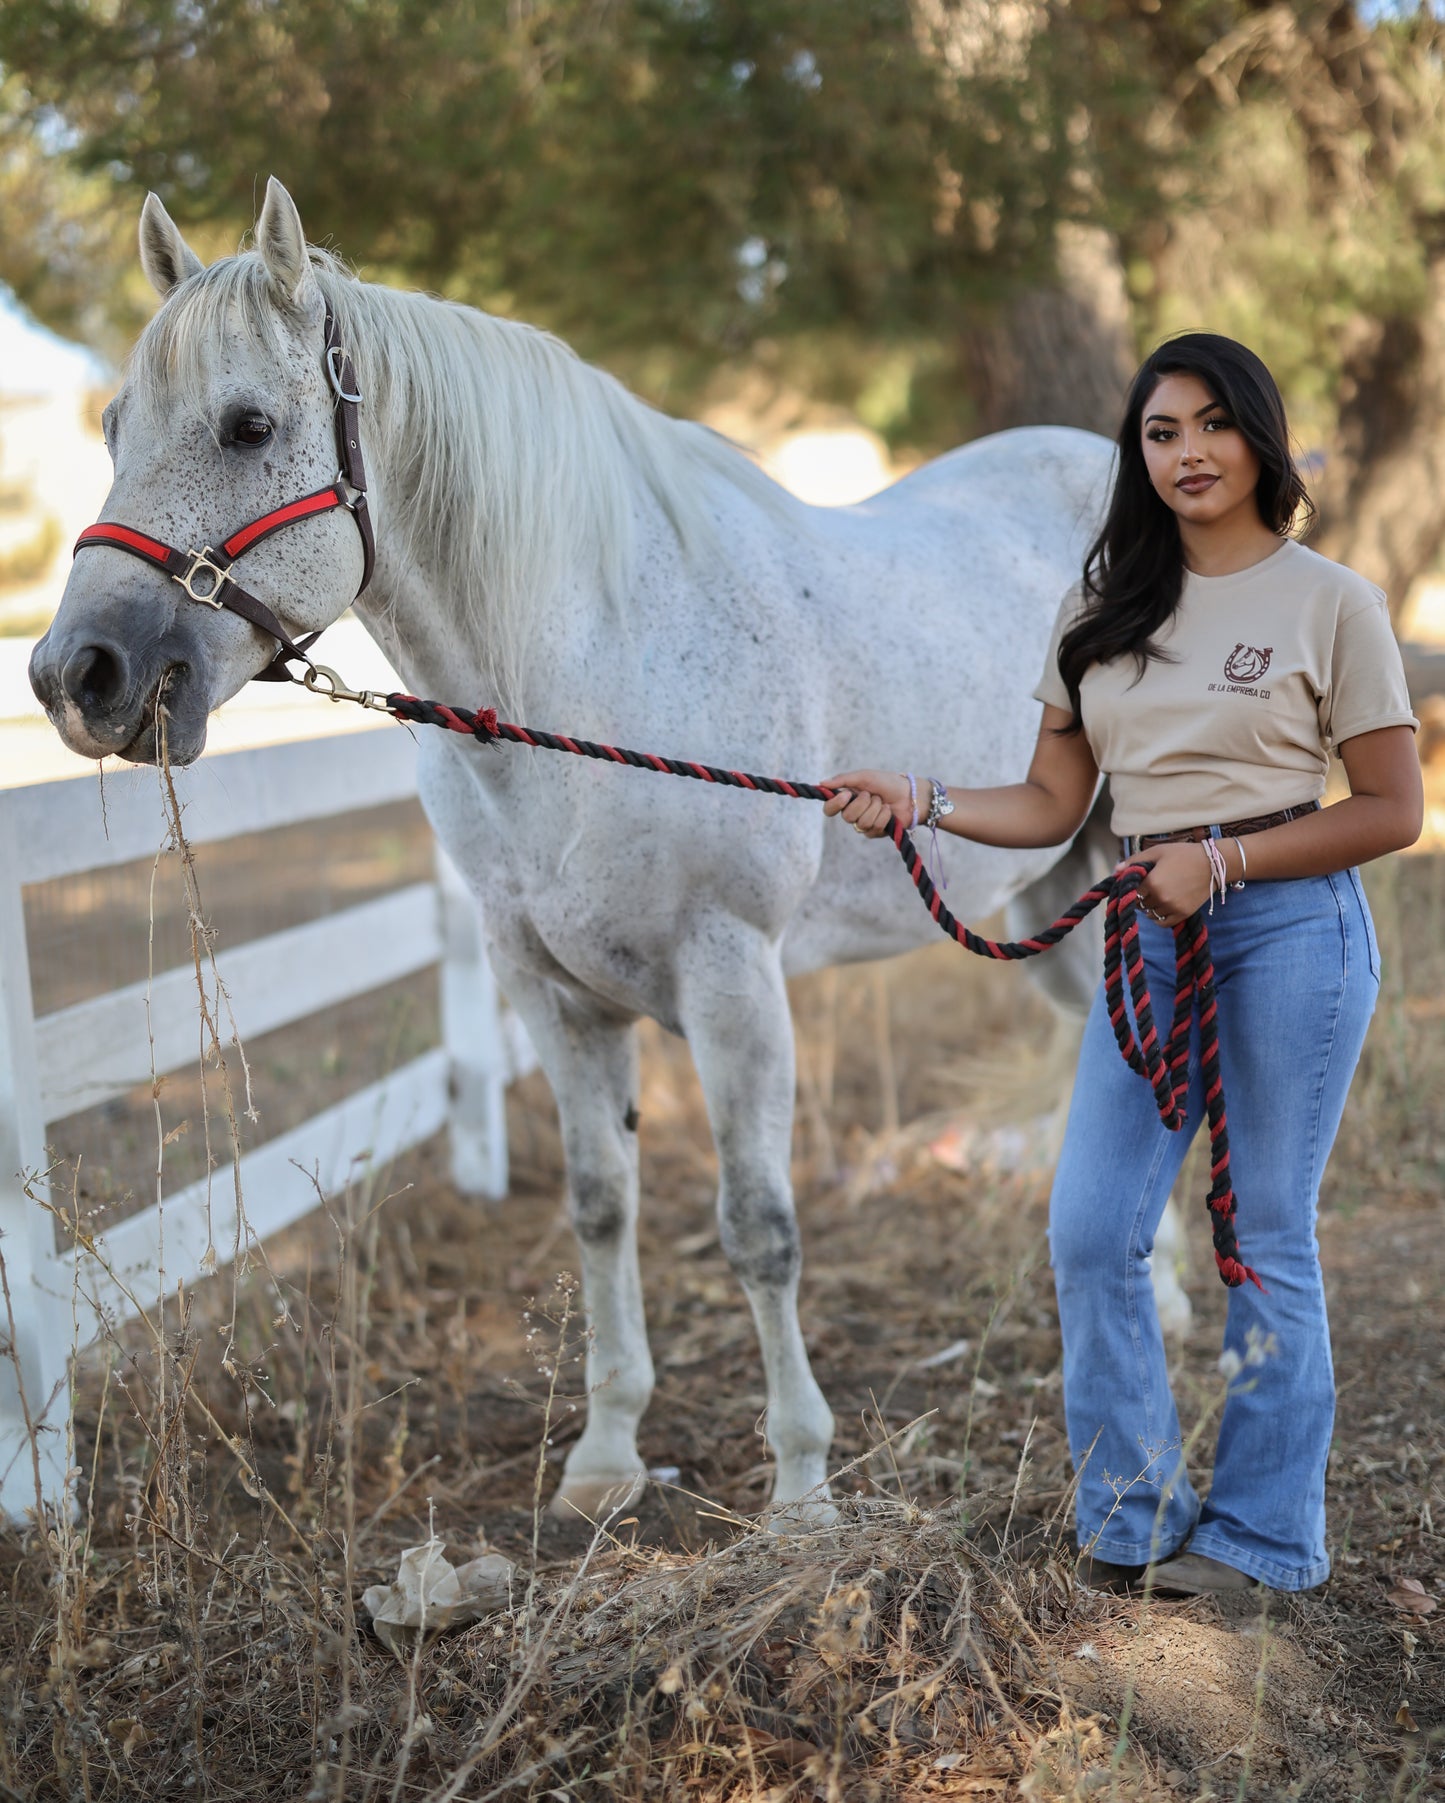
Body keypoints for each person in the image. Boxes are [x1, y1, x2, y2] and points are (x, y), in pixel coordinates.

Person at [823, 334, 1423, 1595]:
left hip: (1288, 929)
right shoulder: (1102, 604)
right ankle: (1131, 1512)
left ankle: (1263, 1538)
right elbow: (1051, 803)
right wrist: (919, 797)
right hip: (1144, 929)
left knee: (1262, 1236)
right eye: (1159, 433)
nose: (1186, 453)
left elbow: (1388, 810)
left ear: (1257, 437)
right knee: (1091, 1228)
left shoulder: (1330, 601)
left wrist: (1228, 863)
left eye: (1209, 425)